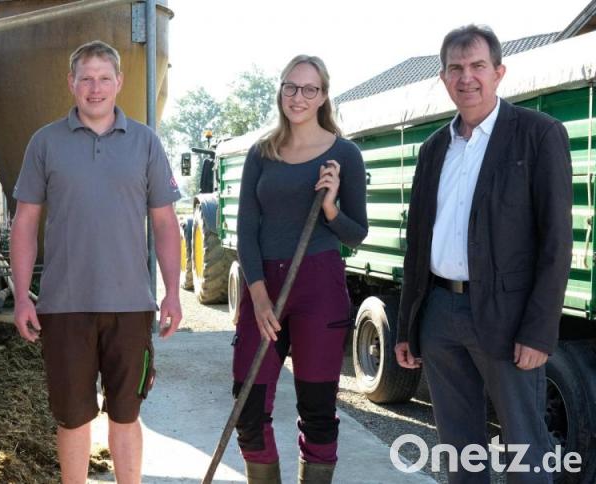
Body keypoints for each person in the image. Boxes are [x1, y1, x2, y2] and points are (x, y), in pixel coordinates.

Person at [395, 25, 572, 484]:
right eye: (455, 68)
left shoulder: (538, 135)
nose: (466, 77)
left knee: (524, 449)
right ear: (443, 77)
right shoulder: (434, 148)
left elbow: (556, 242)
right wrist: (408, 325)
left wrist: (539, 330)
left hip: (507, 318)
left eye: (477, 66)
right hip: (439, 313)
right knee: (458, 450)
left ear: (499, 72)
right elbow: (417, 244)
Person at [10, 40, 183, 484]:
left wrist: (173, 293)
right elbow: (24, 223)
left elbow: (165, 223)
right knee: (72, 418)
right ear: (71, 83)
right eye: (86, 78)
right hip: (64, 306)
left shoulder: (145, 142)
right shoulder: (45, 142)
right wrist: (22, 296)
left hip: (131, 305)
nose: (95, 88)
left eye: (104, 78)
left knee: (126, 414)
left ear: (119, 82)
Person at [233, 55, 368, 484]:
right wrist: (257, 296)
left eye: (310, 89)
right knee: (247, 408)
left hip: (319, 287)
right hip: (264, 289)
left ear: (323, 95)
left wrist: (330, 207)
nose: (298, 97)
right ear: (280, 91)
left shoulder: (344, 154)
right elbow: (245, 229)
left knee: (318, 412)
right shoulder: (262, 153)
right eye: (290, 87)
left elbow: (356, 234)